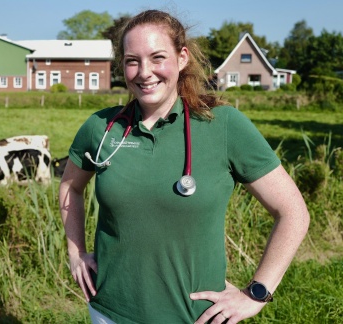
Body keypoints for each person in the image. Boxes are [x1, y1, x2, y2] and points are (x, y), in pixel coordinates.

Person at [58, 9, 309, 324]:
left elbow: (293, 212)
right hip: (109, 312)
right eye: (132, 60)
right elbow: (71, 186)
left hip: (196, 317)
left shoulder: (224, 126)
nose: (144, 72)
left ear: (182, 58)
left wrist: (256, 293)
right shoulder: (101, 127)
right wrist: (75, 251)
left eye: (158, 57)